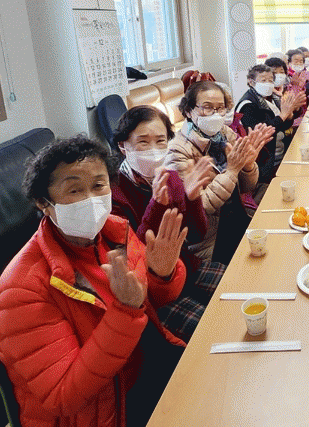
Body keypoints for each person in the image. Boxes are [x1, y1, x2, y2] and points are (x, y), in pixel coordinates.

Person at [0, 135, 188, 426]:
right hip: (100, 413)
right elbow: (63, 395)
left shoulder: (115, 232)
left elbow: (151, 304)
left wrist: (161, 275)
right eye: (75, 189)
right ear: (43, 202)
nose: (91, 199)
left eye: (99, 185)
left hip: (143, 370)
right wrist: (125, 311)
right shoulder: (20, 288)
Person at [111, 105, 229, 342]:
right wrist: (156, 205)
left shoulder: (171, 176)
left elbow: (196, 235)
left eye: (160, 141)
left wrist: (192, 199)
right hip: (154, 291)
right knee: (215, 332)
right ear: (123, 146)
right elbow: (135, 257)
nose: (154, 150)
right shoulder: (115, 194)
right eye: (143, 142)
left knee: (241, 284)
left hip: (186, 266)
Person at [168, 81, 273, 263]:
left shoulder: (224, 134)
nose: (215, 114)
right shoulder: (178, 150)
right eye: (207, 107)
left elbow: (246, 187)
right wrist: (231, 171)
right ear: (189, 111)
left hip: (236, 216)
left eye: (220, 108)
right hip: (211, 239)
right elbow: (199, 207)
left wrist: (248, 165)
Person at [236, 64, 306, 178]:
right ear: (251, 82)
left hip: (280, 151)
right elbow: (261, 134)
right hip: (264, 161)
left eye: (270, 80)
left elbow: (282, 125)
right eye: (263, 80)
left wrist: (289, 114)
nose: (268, 83)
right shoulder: (247, 105)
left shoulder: (271, 98)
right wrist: (283, 116)